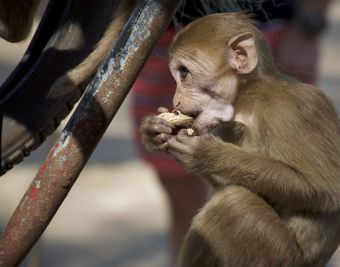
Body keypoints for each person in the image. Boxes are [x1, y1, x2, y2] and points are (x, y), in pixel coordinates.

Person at [131, 0, 330, 264]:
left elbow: (315, 191)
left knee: (259, 202)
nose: (177, 104)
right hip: (163, 31)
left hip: (263, 22)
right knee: (178, 184)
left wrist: (309, 21)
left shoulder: (277, 99)